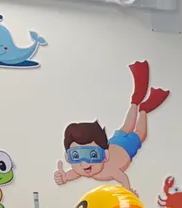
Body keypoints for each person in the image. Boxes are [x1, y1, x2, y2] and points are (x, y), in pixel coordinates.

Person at [55, 61, 169, 192]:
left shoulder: (109, 170)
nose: (84, 162)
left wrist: (128, 192)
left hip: (126, 148)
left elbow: (123, 178)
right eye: (76, 156)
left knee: (140, 133)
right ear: (68, 157)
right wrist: (65, 177)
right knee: (127, 126)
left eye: (93, 154)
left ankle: (143, 109)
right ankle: (135, 102)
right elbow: (75, 173)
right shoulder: (84, 168)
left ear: (105, 155)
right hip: (115, 141)